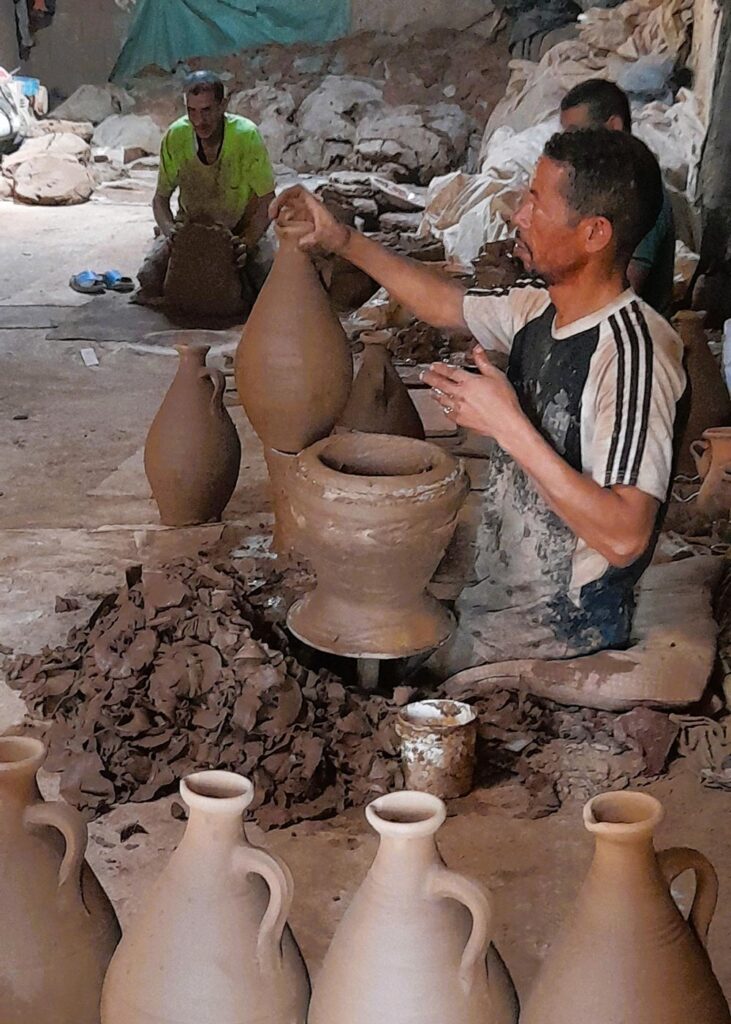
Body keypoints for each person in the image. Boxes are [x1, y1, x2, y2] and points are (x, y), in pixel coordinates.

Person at [271, 129, 686, 674]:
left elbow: (627, 536)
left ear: (594, 233)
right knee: (335, 637)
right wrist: (341, 239)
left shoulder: (634, 354)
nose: (518, 215)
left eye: (537, 202)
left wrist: (507, 424)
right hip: (502, 583)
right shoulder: (540, 309)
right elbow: (445, 303)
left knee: (378, 672)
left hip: (564, 622)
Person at [135, 70, 276, 305]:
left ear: (223, 105)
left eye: (207, 110)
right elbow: (160, 200)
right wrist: (171, 233)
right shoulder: (176, 136)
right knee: (149, 278)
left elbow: (268, 201)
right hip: (191, 231)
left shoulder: (246, 136)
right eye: (192, 111)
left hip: (239, 231)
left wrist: (247, 242)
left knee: (271, 284)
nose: (199, 121)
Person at [560, 78, 676, 317]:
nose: (569, 147)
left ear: (614, 127)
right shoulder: (595, 187)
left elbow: (622, 293)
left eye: (576, 134)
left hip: (628, 333)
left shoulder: (642, 192)